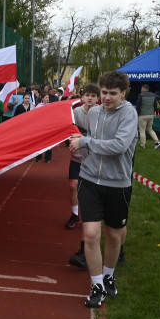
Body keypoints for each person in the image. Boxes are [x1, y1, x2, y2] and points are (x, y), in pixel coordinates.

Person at [67, 70, 137, 308]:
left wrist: (85, 142)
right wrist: (81, 148)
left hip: (117, 183)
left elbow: (118, 146)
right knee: (91, 234)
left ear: (123, 94)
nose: (106, 98)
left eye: (112, 93)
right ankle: (97, 285)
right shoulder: (94, 112)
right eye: (104, 92)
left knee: (114, 235)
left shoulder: (129, 113)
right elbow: (94, 144)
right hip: (89, 181)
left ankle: (108, 276)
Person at [65, 83, 100, 245]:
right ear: (83, 96)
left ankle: (90, 218)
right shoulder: (75, 112)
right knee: (73, 186)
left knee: (88, 190)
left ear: (97, 98)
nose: (90, 98)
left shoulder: (101, 114)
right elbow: (66, 127)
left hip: (92, 159)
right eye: (87, 95)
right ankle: (74, 215)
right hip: (76, 157)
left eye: (93, 95)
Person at [135, 84, 160, 150]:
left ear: (143, 89)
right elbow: (156, 106)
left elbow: (138, 106)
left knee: (142, 130)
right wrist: (153, 112)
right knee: (150, 129)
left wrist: (137, 114)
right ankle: (157, 142)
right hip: (151, 115)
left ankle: (143, 145)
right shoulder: (153, 95)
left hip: (142, 115)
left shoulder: (140, 95)